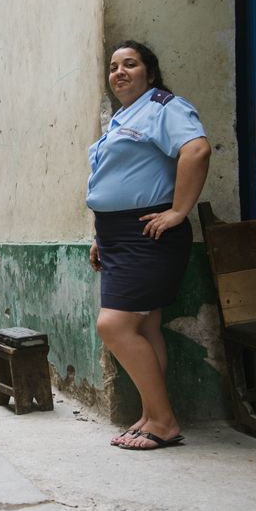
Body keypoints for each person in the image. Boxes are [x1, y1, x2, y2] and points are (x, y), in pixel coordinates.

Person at [87, 40, 211, 451]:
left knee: (114, 325)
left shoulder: (163, 107)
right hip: (117, 235)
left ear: (150, 73)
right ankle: (149, 416)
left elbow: (196, 149)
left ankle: (164, 421)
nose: (119, 72)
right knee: (145, 325)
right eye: (113, 67)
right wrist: (100, 236)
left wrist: (179, 211)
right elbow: (113, 181)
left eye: (130, 64)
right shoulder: (122, 118)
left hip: (149, 232)